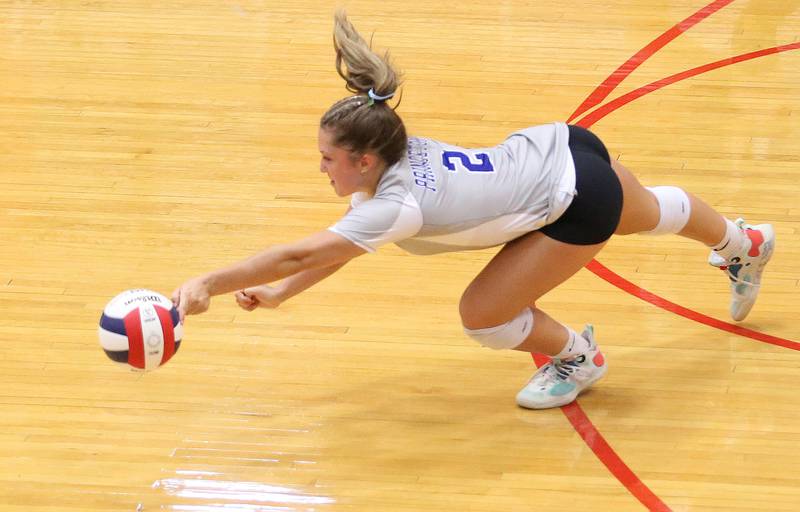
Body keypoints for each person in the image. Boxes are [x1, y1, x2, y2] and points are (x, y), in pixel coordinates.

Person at [172, 10, 775, 410]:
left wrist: (209, 283)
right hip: (562, 144)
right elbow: (341, 248)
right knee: (651, 211)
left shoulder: (396, 204)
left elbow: (305, 250)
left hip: (572, 198)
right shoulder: (391, 153)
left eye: (327, 158)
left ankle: (576, 358)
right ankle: (741, 243)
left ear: (361, 161)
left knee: (483, 315)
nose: (320, 168)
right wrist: (280, 295)